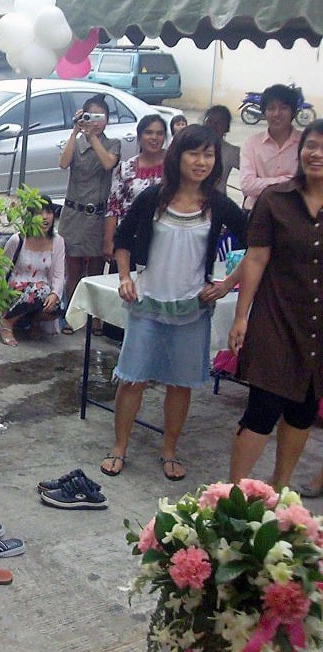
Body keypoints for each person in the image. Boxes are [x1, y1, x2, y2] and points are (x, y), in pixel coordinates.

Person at [103, 124, 245, 480]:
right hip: (148, 302)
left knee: (180, 384)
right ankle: (119, 448)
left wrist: (227, 283)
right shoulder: (154, 198)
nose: (201, 162)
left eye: (208, 155)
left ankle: (169, 451)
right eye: (193, 153)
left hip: (192, 308)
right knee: (133, 379)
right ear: (177, 156)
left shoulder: (219, 204)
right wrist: (124, 277)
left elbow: (256, 245)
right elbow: (122, 238)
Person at [227, 119, 323, 490]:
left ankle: (279, 490)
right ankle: (232, 492)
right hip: (277, 317)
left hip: (318, 326)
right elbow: (255, 259)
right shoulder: (276, 200)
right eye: (311, 145)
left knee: (303, 408)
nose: (316, 154)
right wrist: (241, 316)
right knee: (263, 407)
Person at [58, 94, 121, 335]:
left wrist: (92, 136)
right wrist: (75, 132)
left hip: (97, 216)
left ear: (106, 120)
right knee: (72, 269)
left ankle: (95, 317)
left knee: (95, 270)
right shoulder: (77, 141)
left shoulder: (112, 143)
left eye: (100, 117)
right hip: (73, 214)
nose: (95, 121)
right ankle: (72, 317)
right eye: (90, 116)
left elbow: (107, 164)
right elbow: (63, 163)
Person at [0, 195, 65, 346]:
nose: (45, 218)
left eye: (48, 212)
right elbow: (2, 270)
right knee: (40, 289)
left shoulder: (58, 241)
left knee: (57, 305)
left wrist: (54, 294)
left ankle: (35, 322)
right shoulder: (18, 240)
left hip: (42, 291)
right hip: (16, 290)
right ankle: (6, 322)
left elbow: (59, 273)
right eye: (39, 213)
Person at [104, 114, 167, 261]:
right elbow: (113, 207)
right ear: (139, 136)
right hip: (130, 240)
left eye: (159, 133)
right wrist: (108, 241)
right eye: (149, 132)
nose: (154, 137)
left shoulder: (175, 166)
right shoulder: (126, 168)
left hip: (164, 240)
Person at [240, 83, 302, 210]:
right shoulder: (251, 143)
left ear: (293, 111)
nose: (276, 113)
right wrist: (289, 181)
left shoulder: (305, 143)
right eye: (271, 108)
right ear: (264, 112)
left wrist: (262, 183)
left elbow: (309, 184)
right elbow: (247, 185)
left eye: (283, 108)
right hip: (257, 211)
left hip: (295, 213)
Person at [203, 105, 240, 195]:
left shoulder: (231, 151)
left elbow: (253, 172)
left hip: (218, 202)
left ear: (227, 127)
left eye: (219, 122)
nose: (213, 126)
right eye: (210, 121)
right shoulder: (190, 145)